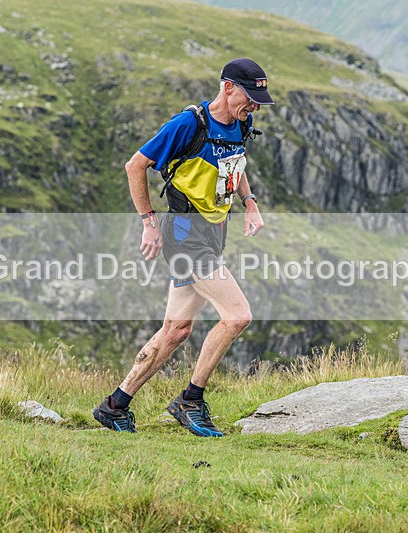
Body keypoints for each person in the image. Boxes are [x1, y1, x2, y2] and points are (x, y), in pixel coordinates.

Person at [92, 58, 275, 436]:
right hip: (184, 235)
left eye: (259, 99)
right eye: (250, 97)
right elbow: (134, 165)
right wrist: (148, 222)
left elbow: (234, 165)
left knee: (176, 330)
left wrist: (250, 202)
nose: (254, 106)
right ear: (227, 87)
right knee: (238, 316)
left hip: (213, 232)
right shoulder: (189, 124)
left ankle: (115, 405)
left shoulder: (242, 123)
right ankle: (190, 399)